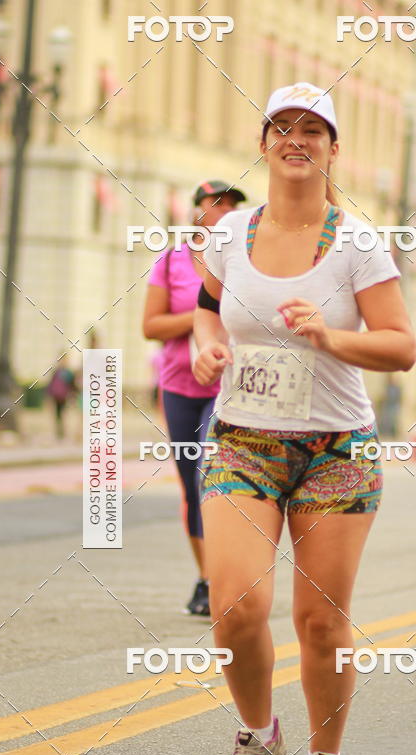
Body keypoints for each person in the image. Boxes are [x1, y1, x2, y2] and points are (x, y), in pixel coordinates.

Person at [193, 82, 416, 755]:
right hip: (244, 443)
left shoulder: (357, 243)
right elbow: (206, 307)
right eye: (282, 126)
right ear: (262, 143)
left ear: (333, 149)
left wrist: (329, 336)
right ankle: (259, 735)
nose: (296, 139)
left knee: (320, 622)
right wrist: (208, 346)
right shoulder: (227, 234)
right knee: (234, 605)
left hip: (336, 451)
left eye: (313, 130)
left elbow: (400, 346)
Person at [143, 180, 247, 615]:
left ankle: (228, 577)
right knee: (190, 482)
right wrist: (203, 309)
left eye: (232, 204)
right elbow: (152, 327)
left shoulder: (246, 259)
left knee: (212, 472)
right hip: (180, 385)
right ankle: (207, 579)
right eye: (214, 203)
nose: (223, 210)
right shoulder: (171, 262)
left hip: (227, 385)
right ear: (195, 211)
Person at [47, 362, 76, 439]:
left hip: (61, 396)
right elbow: (72, 385)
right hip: (59, 396)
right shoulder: (64, 372)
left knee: (60, 414)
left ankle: (61, 430)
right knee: (60, 414)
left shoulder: (59, 372)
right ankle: (60, 431)